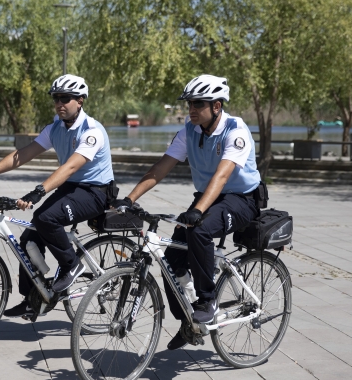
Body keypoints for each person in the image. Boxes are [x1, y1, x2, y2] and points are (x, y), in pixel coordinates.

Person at [112, 75, 261, 350]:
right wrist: (130, 199)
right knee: (171, 259)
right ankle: (188, 323)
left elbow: (222, 174)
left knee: (200, 230)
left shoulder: (235, 130)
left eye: (198, 104)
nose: (191, 108)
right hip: (207, 198)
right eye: (190, 103)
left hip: (241, 199)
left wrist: (198, 211)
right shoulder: (189, 131)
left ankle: (207, 300)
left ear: (216, 106)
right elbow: (161, 166)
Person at [0, 74, 115, 318]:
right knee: (29, 239)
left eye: (65, 98)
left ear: (80, 100)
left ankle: (72, 265)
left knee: (45, 218)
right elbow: (22, 155)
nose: (59, 104)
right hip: (71, 189)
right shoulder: (55, 127)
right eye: (56, 99)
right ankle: (32, 298)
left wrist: (39, 191)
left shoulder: (92, 131)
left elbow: (71, 167)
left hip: (95, 192)